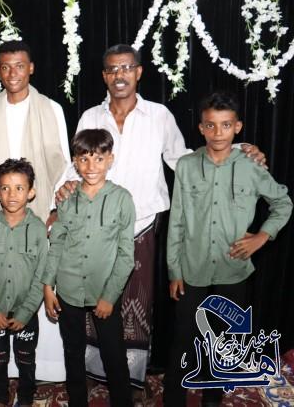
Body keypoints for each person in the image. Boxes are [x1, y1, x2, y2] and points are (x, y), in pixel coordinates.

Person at [55, 44, 266, 393]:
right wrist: (62, 190)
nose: (119, 75)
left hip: (143, 224)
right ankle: (99, 374)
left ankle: (131, 380)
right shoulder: (91, 116)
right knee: (94, 299)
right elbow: (75, 164)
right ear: (104, 76)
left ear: (139, 72)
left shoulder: (159, 115)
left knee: (136, 305)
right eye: (112, 69)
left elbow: (183, 160)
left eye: (126, 67)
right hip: (95, 227)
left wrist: (239, 150)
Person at [163, 92, 292, 406]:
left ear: (237, 127)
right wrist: (174, 270)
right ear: (201, 128)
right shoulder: (187, 166)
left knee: (222, 343)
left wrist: (262, 237)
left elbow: (283, 203)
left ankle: (212, 400)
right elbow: (176, 220)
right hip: (192, 268)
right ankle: (173, 400)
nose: (218, 132)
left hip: (233, 270)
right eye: (211, 125)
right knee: (183, 338)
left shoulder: (251, 166)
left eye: (225, 125)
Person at [0, 39, 69, 382]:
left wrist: (56, 208)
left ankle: (44, 368)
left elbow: (63, 165)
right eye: (5, 67)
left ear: (31, 68)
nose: (12, 73)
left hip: (40, 213)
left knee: (38, 280)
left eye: (19, 65)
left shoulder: (51, 109)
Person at [44, 129, 135, 407]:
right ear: (75, 162)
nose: (91, 166)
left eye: (98, 158)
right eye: (84, 159)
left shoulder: (122, 199)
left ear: (110, 159)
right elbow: (57, 244)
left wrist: (109, 297)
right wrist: (48, 286)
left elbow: (126, 255)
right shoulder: (67, 199)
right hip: (69, 288)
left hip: (104, 291)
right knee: (73, 351)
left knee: (113, 353)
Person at [0, 158, 48, 407]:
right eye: (5, 188)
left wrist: (27, 311)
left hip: (26, 312)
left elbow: (41, 275)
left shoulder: (38, 229)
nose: (12, 194)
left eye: (19, 188)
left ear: (31, 192)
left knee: (26, 358)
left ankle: (26, 395)